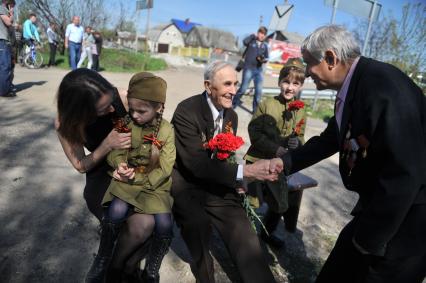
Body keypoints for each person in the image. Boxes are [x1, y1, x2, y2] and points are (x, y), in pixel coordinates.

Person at [269, 25, 426, 283]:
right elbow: (333, 138)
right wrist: (284, 161)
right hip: (383, 207)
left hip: (409, 220)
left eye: (309, 63)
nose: (307, 73)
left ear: (331, 59)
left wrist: (369, 239)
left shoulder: (383, 88)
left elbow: (405, 172)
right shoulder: (357, 84)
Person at [171, 60, 278, 283]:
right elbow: (196, 165)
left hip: (218, 183)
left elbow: (225, 158)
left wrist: (239, 180)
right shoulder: (186, 111)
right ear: (208, 86)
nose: (233, 91)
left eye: (236, 84)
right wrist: (246, 172)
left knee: (244, 233)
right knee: (197, 226)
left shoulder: (232, 116)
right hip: (188, 185)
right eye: (227, 84)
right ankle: (205, 275)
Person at [56, 69, 156, 280]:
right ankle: (111, 259)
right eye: (103, 109)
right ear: (82, 113)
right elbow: (80, 165)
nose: (112, 108)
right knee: (135, 224)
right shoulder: (66, 123)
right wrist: (106, 145)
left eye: (111, 101)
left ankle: (118, 265)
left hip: (134, 170)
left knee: (147, 224)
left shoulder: (124, 98)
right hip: (100, 178)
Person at [85, 72, 175, 283]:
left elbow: (166, 165)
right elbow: (116, 151)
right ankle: (103, 256)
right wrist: (120, 165)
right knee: (116, 211)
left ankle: (152, 269)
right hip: (128, 181)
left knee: (164, 223)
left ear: (159, 107)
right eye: (132, 109)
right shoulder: (127, 123)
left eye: (141, 111)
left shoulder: (166, 130)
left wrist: (141, 178)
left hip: (154, 184)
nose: (134, 114)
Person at [245, 58, 307, 248]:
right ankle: (246, 241)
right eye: (286, 82)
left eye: (295, 83)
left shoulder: (301, 110)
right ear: (280, 82)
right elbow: (253, 132)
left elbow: (302, 136)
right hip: (256, 161)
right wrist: (276, 149)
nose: (289, 87)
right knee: (253, 203)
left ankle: (266, 233)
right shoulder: (266, 104)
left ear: (301, 86)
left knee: (280, 204)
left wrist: (298, 143)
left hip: (279, 166)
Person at [232, 26, 269, 113]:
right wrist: (252, 36)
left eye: (264, 34)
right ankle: (234, 103)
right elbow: (244, 42)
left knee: (258, 92)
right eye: (261, 33)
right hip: (248, 68)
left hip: (258, 70)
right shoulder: (251, 41)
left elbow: (267, 58)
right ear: (258, 33)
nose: (262, 35)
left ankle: (255, 110)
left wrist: (263, 60)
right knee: (243, 89)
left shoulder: (265, 46)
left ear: (265, 35)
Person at [0, 0, 15, 97]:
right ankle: (4, 91)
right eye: (13, 4)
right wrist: (11, 13)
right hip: (2, 40)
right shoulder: (2, 8)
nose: (13, 6)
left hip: (5, 41)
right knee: (5, 66)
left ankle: (5, 87)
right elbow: (9, 22)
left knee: (5, 66)